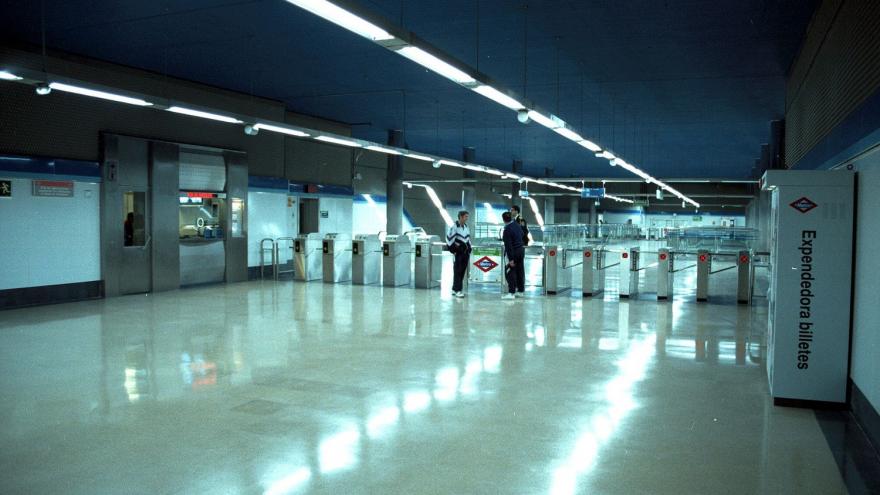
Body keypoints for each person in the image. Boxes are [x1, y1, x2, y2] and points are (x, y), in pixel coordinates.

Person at [446, 210, 472, 298]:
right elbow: (449, 239)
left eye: (467, 217)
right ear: (460, 217)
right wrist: (454, 250)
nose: (467, 218)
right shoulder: (454, 227)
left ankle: (454, 288)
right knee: (457, 271)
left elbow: (468, 239)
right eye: (465, 217)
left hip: (465, 253)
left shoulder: (466, 226)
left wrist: (469, 249)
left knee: (462, 271)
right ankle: (458, 290)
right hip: (459, 253)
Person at [501, 211, 525, 300]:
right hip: (521, 250)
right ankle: (521, 290)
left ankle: (511, 293)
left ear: (503, 219)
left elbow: (508, 245)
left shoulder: (507, 230)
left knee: (510, 272)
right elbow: (522, 234)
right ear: (511, 218)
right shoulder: (517, 225)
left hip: (513, 252)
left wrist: (510, 259)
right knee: (519, 271)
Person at [509, 205, 529, 295]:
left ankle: (520, 288)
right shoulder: (513, 220)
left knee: (519, 268)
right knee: (516, 268)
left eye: (512, 210)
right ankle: (517, 286)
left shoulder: (520, 220)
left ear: (516, 211)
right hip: (516, 246)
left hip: (519, 246)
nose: (511, 212)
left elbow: (524, 232)